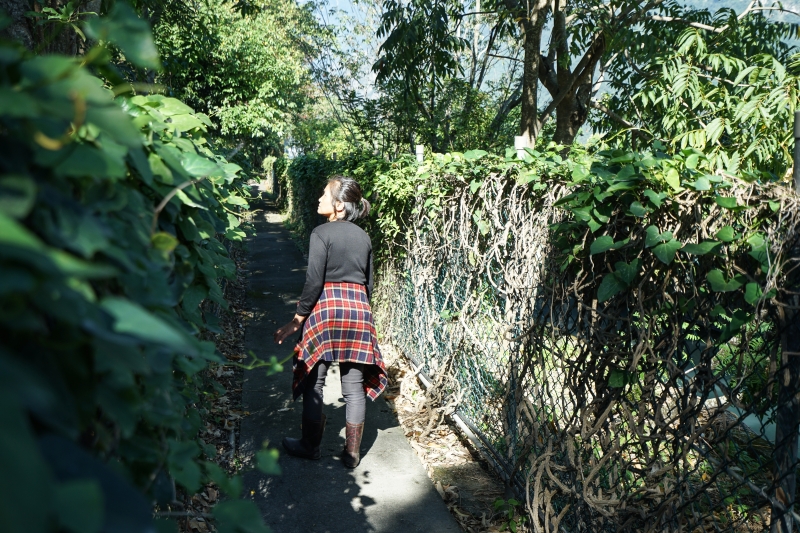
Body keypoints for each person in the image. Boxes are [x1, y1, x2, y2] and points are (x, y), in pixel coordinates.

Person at [273, 176, 387, 469]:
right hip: (359, 311)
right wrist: (359, 310)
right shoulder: (364, 237)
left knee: (314, 380)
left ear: (338, 205)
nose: (319, 199)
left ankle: (310, 446)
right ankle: (351, 454)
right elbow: (369, 285)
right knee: (354, 385)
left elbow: (314, 282)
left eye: (324, 195)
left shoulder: (321, 233)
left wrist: (298, 319)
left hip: (326, 310)